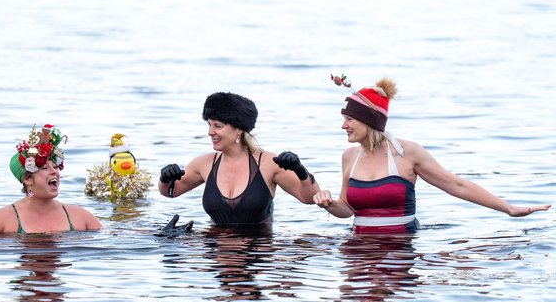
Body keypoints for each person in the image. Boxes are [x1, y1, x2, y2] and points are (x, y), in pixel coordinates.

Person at [313, 75, 551, 234]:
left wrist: (508, 208)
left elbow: (456, 185)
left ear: (369, 122)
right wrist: (329, 203)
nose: (343, 126)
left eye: (349, 119)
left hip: (401, 249)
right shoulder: (349, 157)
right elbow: (347, 210)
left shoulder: (407, 153)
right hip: (360, 251)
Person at [158, 92, 320, 226]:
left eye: (217, 126)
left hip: (257, 256)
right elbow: (170, 192)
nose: (210, 132)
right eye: (209, 124)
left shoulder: (269, 163)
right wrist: (165, 178)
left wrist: (300, 170)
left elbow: (310, 198)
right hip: (214, 254)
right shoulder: (204, 164)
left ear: (239, 130)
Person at [0, 124, 102, 236]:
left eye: (56, 166)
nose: (54, 171)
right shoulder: (4, 219)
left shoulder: (80, 217)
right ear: (28, 179)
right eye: (44, 168)